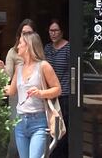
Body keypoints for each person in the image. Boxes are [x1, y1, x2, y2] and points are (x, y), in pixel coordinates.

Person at [5, 30, 61, 158]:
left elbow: (57, 89)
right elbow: (11, 90)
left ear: (28, 46)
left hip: (39, 122)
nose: (17, 46)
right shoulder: (19, 69)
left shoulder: (43, 66)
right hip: (20, 122)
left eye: (20, 43)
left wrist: (40, 93)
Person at [0, 20, 36, 158]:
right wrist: (1, 67)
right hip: (17, 96)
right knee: (15, 136)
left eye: (29, 33)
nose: (26, 36)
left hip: (34, 97)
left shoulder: (37, 53)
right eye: (24, 33)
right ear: (19, 35)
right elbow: (9, 77)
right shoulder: (13, 52)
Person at [43, 20, 70, 158]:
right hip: (49, 95)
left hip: (64, 95)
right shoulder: (47, 48)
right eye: (50, 31)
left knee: (62, 129)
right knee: (51, 128)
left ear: (62, 32)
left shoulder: (68, 48)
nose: (53, 33)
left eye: (56, 30)